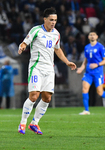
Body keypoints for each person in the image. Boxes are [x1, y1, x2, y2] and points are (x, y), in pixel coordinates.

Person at [17, 7, 77, 135]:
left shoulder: (56, 33)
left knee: (47, 98)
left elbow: (57, 49)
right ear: (44, 19)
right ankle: (22, 123)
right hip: (36, 67)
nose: (53, 22)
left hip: (49, 69)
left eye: (55, 20)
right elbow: (25, 42)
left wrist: (67, 61)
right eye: (51, 20)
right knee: (34, 96)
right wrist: (22, 46)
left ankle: (34, 123)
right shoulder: (36, 30)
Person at [76, 31, 105, 115]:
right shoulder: (86, 47)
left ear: (97, 36)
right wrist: (81, 68)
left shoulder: (100, 47)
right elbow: (85, 61)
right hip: (88, 73)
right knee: (84, 89)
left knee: (100, 92)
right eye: (90, 35)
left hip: (97, 73)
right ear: (88, 37)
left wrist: (97, 64)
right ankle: (86, 110)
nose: (92, 36)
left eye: (94, 35)